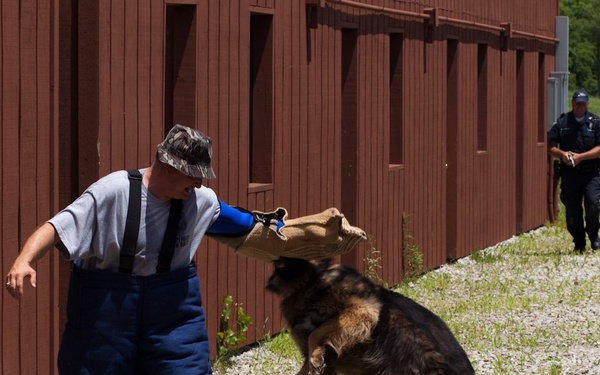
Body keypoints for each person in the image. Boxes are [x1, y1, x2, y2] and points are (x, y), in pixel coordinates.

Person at [4, 124, 365, 374]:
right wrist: (24, 260)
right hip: (106, 313)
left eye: (201, 176)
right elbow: (55, 226)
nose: (198, 182)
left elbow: (252, 228)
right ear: (166, 164)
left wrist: (314, 234)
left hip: (172, 311)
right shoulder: (113, 191)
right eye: (192, 173)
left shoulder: (201, 201)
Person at [548, 89, 600, 252]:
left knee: (592, 203)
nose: (580, 106)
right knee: (572, 209)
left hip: (591, 172)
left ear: (587, 104)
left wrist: (581, 157)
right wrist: (562, 154)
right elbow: (550, 146)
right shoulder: (562, 122)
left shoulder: (595, 122)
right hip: (570, 173)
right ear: (572, 103)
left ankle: (593, 235)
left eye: (583, 103)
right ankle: (579, 242)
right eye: (577, 103)